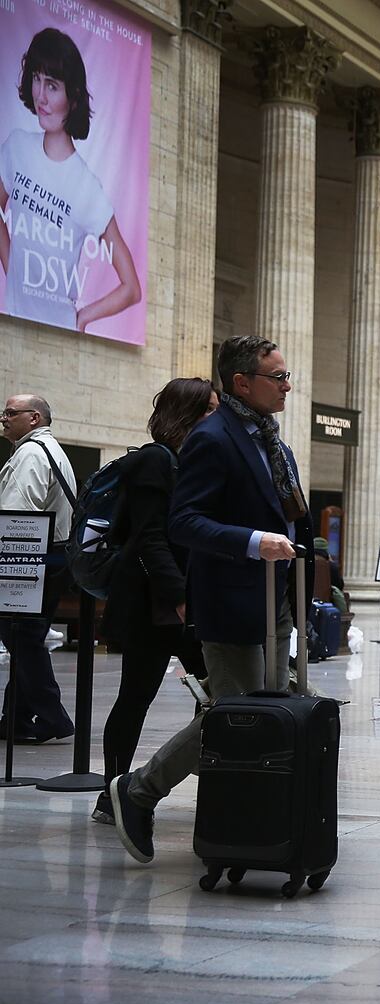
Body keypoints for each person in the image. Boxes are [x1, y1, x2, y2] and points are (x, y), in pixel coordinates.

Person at [107, 335, 310, 864]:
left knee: (265, 715)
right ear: (242, 382)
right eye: (278, 376)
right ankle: (139, 791)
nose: (288, 385)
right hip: (232, 602)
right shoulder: (213, 438)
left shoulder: (271, 439)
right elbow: (185, 521)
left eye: (287, 375)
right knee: (235, 718)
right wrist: (251, 542)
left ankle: (259, 818)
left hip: (273, 600)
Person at [94, 378, 217, 824]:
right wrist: (178, 595)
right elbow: (149, 539)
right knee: (135, 696)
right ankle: (113, 794)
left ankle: (214, 783)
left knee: (212, 693)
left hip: (181, 597)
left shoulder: (190, 461)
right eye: (208, 409)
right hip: (153, 601)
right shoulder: (154, 461)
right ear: (185, 413)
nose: (215, 418)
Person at [0, 28, 141, 333]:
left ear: (73, 98)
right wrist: (13, 270)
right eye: (36, 79)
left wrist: (84, 316)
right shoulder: (16, 146)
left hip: (58, 331)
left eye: (52, 86)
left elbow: (131, 287)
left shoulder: (87, 188)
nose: (40, 95)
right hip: (12, 320)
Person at [0, 392, 76, 743]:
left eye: (11, 413)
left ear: (34, 418)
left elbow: (16, 517)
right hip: (53, 556)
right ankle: (13, 719)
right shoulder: (52, 450)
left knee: (21, 637)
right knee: (24, 637)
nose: (4, 418)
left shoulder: (31, 453)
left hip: (29, 558)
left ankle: (53, 718)